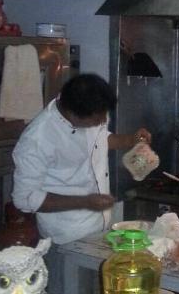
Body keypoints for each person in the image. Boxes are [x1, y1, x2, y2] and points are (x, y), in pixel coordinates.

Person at [12, 73, 152, 246]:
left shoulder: (89, 110)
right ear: (73, 114)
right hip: (67, 235)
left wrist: (130, 140)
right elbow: (25, 198)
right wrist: (85, 202)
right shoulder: (37, 139)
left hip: (101, 226)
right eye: (97, 119)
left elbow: (99, 140)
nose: (103, 120)